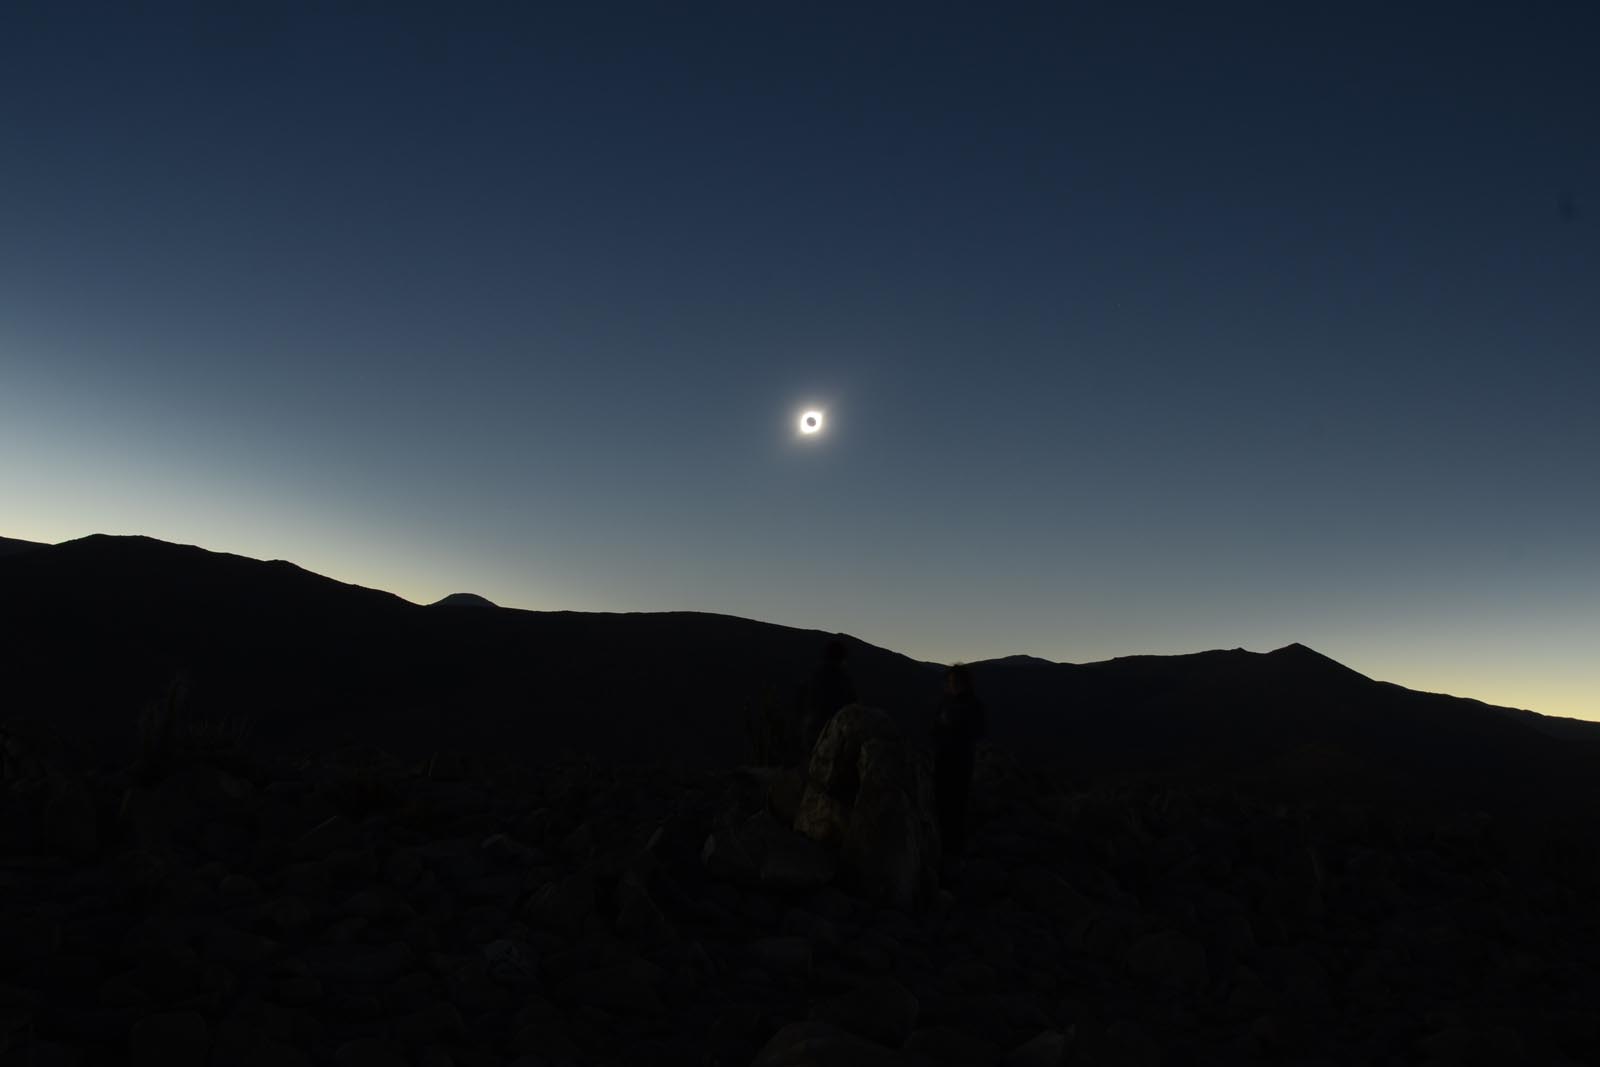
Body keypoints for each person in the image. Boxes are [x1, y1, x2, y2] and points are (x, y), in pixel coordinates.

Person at [932, 663, 986, 857]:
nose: (950, 685)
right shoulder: (957, 704)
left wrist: (951, 725)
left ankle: (951, 853)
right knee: (951, 807)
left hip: (956, 761)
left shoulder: (962, 705)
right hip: (952, 760)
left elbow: (977, 731)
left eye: (952, 681)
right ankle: (950, 851)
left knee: (953, 807)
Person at [800, 638, 857, 760]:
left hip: (813, 730)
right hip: (833, 732)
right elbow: (852, 704)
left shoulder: (815, 675)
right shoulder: (842, 679)